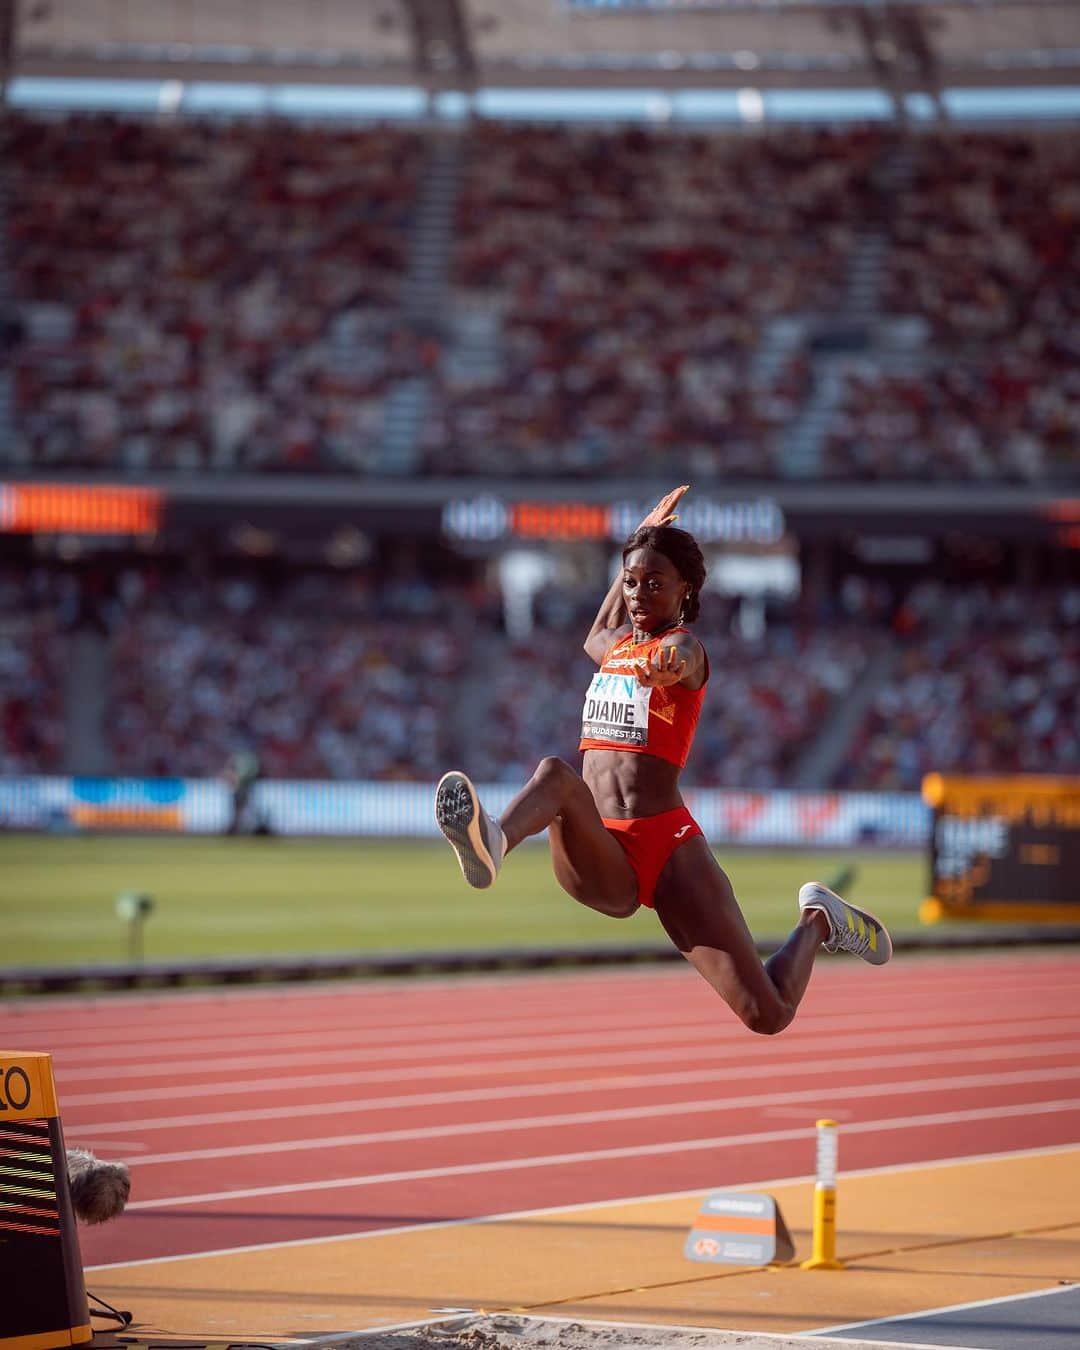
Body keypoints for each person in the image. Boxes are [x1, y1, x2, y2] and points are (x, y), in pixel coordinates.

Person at [435, 486, 891, 1035]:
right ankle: (494, 842)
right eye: (631, 581)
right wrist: (634, 545)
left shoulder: (685, 648)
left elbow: (682, 659)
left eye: (655, 583)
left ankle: (818, 919)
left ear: (686, 590)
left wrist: (666, 669)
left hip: (669, 846)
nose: (638, 593)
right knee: (557, 775)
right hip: (601, 844)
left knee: (766, 1014)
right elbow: (596, 635)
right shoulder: (617, 645)